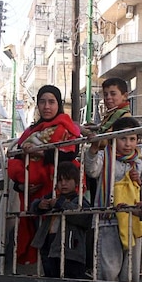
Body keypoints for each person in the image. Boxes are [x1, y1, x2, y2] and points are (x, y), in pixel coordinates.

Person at [7, 85, 83, 265]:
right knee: (40, 244)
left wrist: (41, 153)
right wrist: (21, 186)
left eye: (51, 102)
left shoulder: (67, 128)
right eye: (42, 102)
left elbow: (69, 155)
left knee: (58, 247)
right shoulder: (29, 132)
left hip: (61, 197)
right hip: (35, 201)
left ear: (59, 104)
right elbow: (16, 165)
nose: (46, 106)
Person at [84, 116, 142, 282]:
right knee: (108, 269)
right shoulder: (104, 157)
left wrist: (139, 182)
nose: (127, 144)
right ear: (114, 138)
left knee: (131, 271)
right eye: (123, 138)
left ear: (138, 140)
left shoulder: (139, 164)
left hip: (132, 222)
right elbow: (91, 170)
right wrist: (93, 148)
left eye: (132, 139)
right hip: (109, 220)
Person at [29, 162, 92, 279]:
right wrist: (39, 205)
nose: (63, 184)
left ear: (76, 182)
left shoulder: (79, 201)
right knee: (51, 278)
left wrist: (60, 204)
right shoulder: (52, 197)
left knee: (71, 280)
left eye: (67, 180)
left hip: (71, 251)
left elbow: (84, 217)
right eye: (60, 180)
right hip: (50, 247)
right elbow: (32, 206)